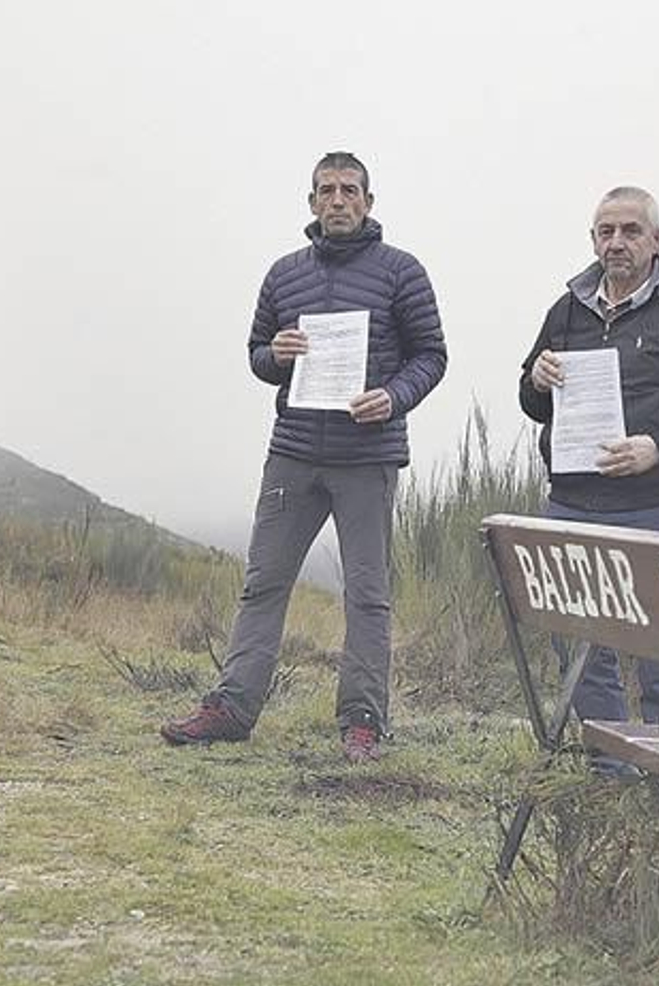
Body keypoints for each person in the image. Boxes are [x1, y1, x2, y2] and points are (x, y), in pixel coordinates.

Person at [160, 151, 448, 761]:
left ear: (369, 202)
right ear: (311, 202)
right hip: (293, 453)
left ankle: (363, 721)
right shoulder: (284, 274)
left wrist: (393, 398)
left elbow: (431, 355)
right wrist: (278, 355)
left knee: (367, 594)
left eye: (349, 190)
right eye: (326, 190)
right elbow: (258, 356)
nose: (338, 200)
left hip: (367, 456)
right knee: (264, 582)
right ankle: (233, 708)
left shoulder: (403, 272)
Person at [518, 186, 659, 731]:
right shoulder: (567, 309)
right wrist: (535, 378)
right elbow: (531, 400)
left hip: (657, 507)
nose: (616, 243)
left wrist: (658, 447)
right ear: (593, 239)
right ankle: (609, 775)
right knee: (580, 655)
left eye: (630, 231)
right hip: (572, 504)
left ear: (657, 240)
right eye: (606, 231)